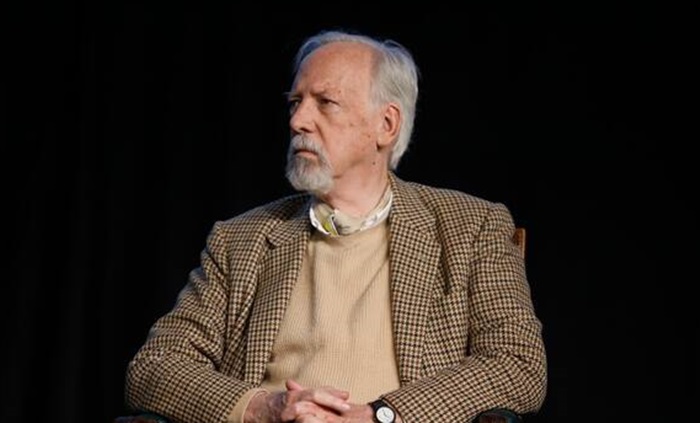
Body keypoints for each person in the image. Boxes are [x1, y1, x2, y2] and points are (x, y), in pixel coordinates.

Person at [124, 29, 547, 423]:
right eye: (296, 102)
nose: (298, 121)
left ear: (386, 125)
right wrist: (264, 406)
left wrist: (380, 416)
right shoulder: (241, 239)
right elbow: (154, 367)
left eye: (325, 102)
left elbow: (517, 363)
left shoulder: (470, 227)